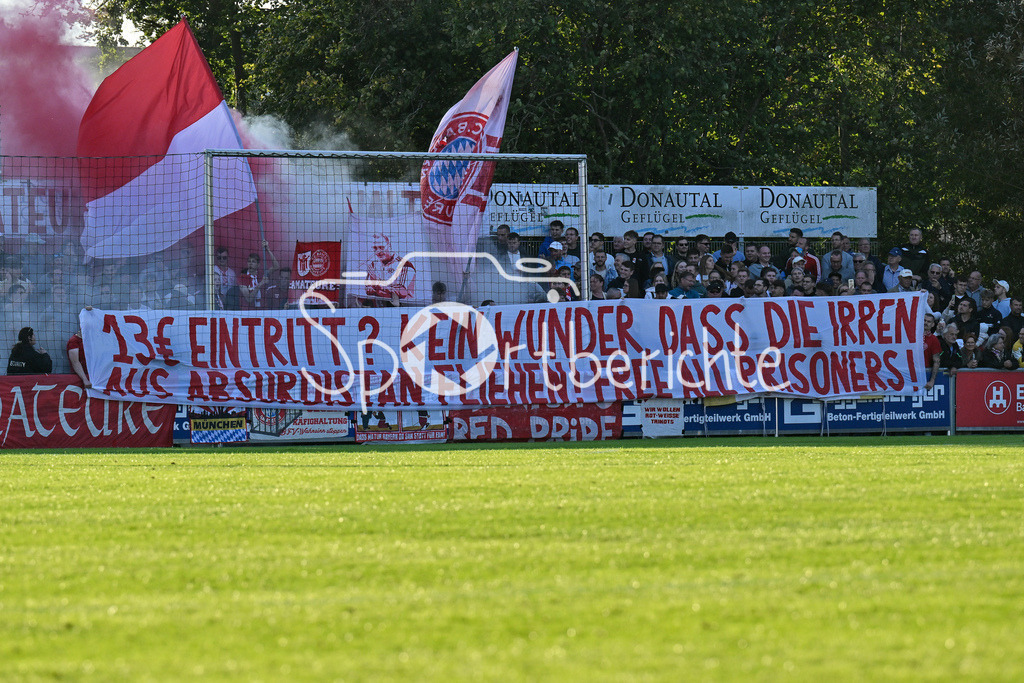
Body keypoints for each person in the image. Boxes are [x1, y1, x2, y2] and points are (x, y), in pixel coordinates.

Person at [363, 232, 417, 304]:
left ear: (389, 246)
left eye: (381, 247)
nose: (378, 251)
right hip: (378, 308)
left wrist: (378, 285)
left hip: (402, 308)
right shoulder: (373, 265)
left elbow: (402, 293)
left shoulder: (404, 265)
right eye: (375, 248)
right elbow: (368, 290)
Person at [213, 246, 238, 310]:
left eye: (224, 258)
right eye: (219, 258)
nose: (222, 260)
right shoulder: (213, 270)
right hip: (216, 301)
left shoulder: (232, 273)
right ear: (216, 258)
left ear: (228, 258)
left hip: (230, 303)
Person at [922, 313, 941, 390]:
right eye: (924, 320)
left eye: (928, 321)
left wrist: (932, 380)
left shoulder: (934, 339)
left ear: (933, 324)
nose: (925, 323)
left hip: (925, 374)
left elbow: (936, 361)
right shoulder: (911, 337)